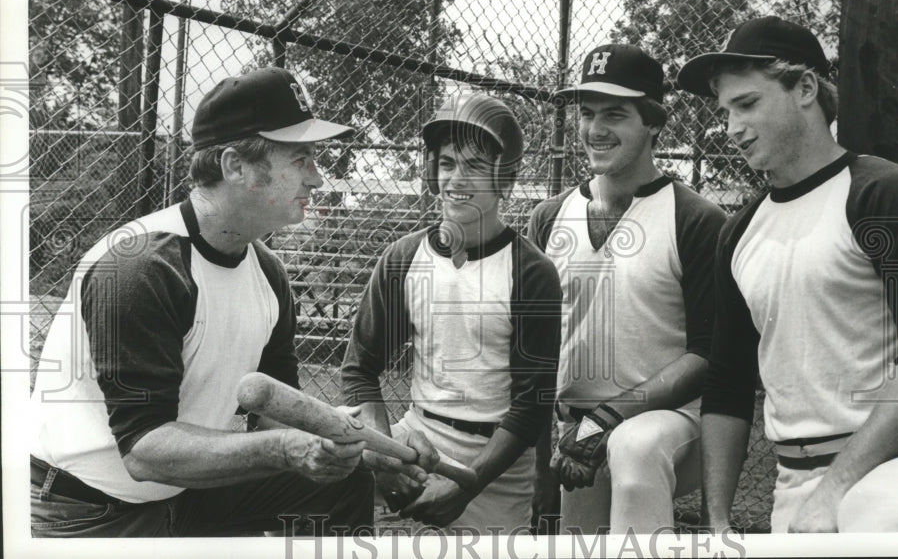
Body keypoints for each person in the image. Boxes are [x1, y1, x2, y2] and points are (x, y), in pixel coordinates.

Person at [29, 66, 399, 537]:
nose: (317, 179)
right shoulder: (143, 266)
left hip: (185, 495)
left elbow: (273, 412)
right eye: (301, 159)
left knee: (345, 482)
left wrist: (361, 446)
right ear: (235, 165)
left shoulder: (268, 272)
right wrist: (287, 448)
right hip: (89, 506)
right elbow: (143, 450)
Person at [676, 16, 898, 533]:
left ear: (805, 88)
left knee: (873, 517)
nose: (731, 128)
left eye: (747, 104)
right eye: (725, 111)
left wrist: (837, 491)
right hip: (796, 484)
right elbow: (728, 385)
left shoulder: (882, 191)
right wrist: (718, 523)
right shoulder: (738, 233)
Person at [340, 91, 562, 533]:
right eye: (446, 163)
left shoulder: (531, 272)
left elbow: (530, 406)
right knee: (323, 466)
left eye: (476, 165)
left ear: (506, 179)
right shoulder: (405, 258)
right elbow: (359, 370)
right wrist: (383, 450)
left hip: (494, 466)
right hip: (416, 439)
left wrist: (467, 485)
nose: (456, 178)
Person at [527, 44, 726, 534]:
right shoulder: (548, 217)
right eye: (587, 113)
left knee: (633, 450)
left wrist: (609, 416)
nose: (596, 129)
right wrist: (538, 458)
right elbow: (530, 350)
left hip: (669, 424)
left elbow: (708, 354)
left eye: (615, 114)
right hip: (572, 430)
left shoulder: (696, 219)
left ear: (654, 122)